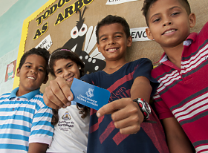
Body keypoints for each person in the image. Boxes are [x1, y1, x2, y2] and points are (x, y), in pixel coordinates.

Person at [43, 15, 169, 153]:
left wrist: (138, 104)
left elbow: (142, 84)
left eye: (117, 36)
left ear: (128, 40)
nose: (111, 42)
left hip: (147, 145)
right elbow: (73, 89)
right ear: (98, 47)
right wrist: (54, 91)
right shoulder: (91, 79)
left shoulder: (140, 64)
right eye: (104, 39)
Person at [142, 0, 208, 153]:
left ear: (191, 19)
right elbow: (175, 135)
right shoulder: (157, 79)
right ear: (149, 33)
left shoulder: (206, 39)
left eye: (175, 13)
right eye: (157, 19)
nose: (167, 21)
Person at [0, 47, 54, 153]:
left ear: (45, 78)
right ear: (18, 71)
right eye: (28, 66)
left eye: (40, 69)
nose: (33, 70)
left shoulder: (43, 104)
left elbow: (37, 148)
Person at [46, 48, 90, 153]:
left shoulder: (90, 91)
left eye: (69, 66)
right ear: (55, 76)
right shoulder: (54, 99)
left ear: (78, 65)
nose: (66, 73)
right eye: (59, 71)